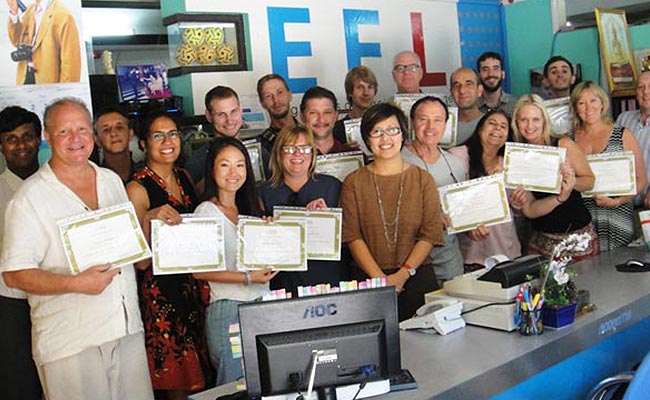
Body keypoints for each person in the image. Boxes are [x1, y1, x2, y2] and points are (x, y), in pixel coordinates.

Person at [2, 98, 153, 400]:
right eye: (64, 132)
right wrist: (75, 283)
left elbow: (128, 245)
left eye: (82, 129)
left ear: (93, 135)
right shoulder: (29, 199)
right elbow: (14, 274)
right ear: (47, 136)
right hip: (71, 340)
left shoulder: (110, 180)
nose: (76, 139)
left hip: (125, 328)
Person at [126, 109, 212, 399]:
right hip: (162, 295)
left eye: (173, 133)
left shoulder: (184, 176)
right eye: (158, 135)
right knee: (177, 379)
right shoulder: (137, 187)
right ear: (143, 143)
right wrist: (149, 217)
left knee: (202, 376)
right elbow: (139, 261)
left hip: (192, 284)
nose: (167, 141)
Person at [340, 103, 444, 321]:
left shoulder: (423, 179)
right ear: (367, 139)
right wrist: (380, 278)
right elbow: (352, 235)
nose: (385, 138)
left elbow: (431, 233)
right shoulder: (354, 182)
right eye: (376, 132)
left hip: (416, 278)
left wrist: (403, 274)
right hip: (368, 281)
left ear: (403, 134)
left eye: (392, 130)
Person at [193, 137, 278, 385]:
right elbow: (200, 272)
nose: (234, 173)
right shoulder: (205, 212)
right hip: (229, 308)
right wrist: (247, 278)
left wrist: (274, 238)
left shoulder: (250, 208)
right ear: (212, 170)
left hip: (262, 303)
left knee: (265, 381)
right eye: (225, 165)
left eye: (240, 165)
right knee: (235, 386)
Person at [259, 125, 349, 297]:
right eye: (289, 149)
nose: (297, 154)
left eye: (304, 148)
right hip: (282, 283)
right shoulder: (264, 192)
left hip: (327, 281)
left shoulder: (333, 186)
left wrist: (329, 220)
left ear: (313, 153)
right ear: (279, 153)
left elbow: (349, 236)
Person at [509, 94, 599, 259]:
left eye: (536, 119)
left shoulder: (563, 144)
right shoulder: (517, 156)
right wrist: (559, 197)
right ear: (516, 122)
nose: (530, 126)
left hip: (576, 235)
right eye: (524, 120)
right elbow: (529, 209)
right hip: (541, 239)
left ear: (544, 121)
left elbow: (589, 180)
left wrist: (570, 183)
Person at [569, 81, 646, 251]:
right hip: (579, 220)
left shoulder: (622, 134)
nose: (589, 107)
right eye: (582, 103)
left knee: (619, 270)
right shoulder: (568, 140)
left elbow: (641, 180)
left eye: (593, 101)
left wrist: (618, 201)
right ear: (575, 108)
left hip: (616, 215)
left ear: (602, 103)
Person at [0, 106, 42, 400]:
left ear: (40, 139)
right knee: (20, 383)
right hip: (11, 306)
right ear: (1, 146)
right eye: (12, 139)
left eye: (27, 136)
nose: (21, 145)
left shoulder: (57, 186)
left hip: (57, 300)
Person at [401, 96, 465, 282]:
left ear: (445, 125)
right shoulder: (396, 162)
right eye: (423, 119)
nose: (430, 127)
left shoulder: (456, 164)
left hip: (451, 264)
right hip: (412, 267)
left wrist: (474, 226)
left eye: (437, 120)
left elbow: (462, 212)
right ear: (412, 123)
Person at [449, 110, 522, 268]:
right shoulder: (458, 156)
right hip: (470, 252)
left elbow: (515, 209)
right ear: (480, 128)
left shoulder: (509, 162)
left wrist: (517, 203)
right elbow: (448, 200)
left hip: (506, 249)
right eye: (492, 123)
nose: (497, 129)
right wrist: (467, 224)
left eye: (503, 126)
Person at [186, 86, 270, 184]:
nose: (229, 121)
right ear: (209, 116)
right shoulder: (198, 162)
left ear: (240, 109)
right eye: (221, 114)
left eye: (233, 111)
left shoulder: (259, 153)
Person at [7, 0, 81, 84]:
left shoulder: (63, 15)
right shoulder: (30, 10)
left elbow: (70, 64)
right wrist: (14, 12)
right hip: (25, 78)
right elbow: (17, 42)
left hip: (48, 83)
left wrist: (65, 93)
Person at [616, 70, 650, 207]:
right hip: (622, 202)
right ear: (636, 92)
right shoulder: (624, 118)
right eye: (641, 87)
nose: (646, 92)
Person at [94, 105, 142, 183]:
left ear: (130, 133)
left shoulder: (146, 175)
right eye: (106, 129)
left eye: (119, 127)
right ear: (97, 140)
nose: (113, 133)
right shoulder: (95, 181)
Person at [300, 86, 355, 155]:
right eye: (313, 113)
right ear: (302, 116)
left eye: (327, 112)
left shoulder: (354, 154)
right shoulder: (294, 158)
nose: (321, 119)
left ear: (336, 116)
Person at [333, 66, 378, 143]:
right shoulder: (338, 129)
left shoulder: (382, 124)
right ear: (350, 92)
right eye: (360, 87)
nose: (366, 93)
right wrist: (345, 150)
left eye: (370, 87)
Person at [257, 73, 298, 153]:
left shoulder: (310, 135)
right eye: (268, 96)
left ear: (289, 95)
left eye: (280, 92)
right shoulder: (261, 147)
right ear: (262, 103)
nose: (276, 100)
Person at [450, 67, 485, 146]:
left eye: (468, 84)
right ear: (451, 92)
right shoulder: (442, 125)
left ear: (479, 90)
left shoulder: (489, 124)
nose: (462, 90)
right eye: (456, 85)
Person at [476, 51, 518, 117]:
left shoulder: (516, 105)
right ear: (478, 76)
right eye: (485, 69)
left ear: (503, 74)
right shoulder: (473, 105)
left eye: (495, 69)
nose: (491, 74)